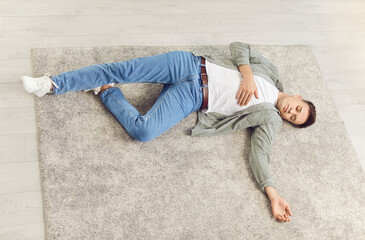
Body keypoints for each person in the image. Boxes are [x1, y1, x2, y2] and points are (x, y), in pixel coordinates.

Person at [20, 42, 316, 223]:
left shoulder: (270, 118)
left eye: (293, 119)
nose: (291, 113)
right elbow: (240, 46)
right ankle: (52, 85)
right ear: (299, 97)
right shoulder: (270, 73)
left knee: (145, 131)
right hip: (188, 64)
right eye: (297, 110)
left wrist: (273, 194)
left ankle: (106, 91)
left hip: (192, 98)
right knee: (122, 69)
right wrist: (248, 74)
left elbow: (259, 153)